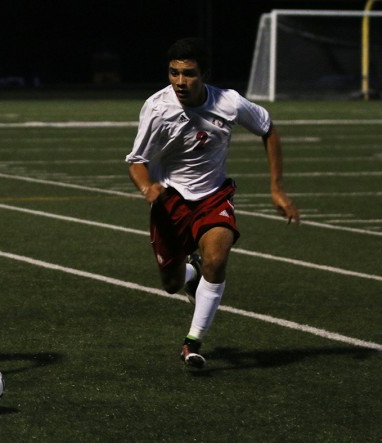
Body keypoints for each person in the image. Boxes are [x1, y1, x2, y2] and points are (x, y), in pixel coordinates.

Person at [125, 37, 300, 369]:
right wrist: (147, 187)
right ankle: (190, 274)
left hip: (213, 196)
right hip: (169, 201)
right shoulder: (157, 107)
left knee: (217, 260)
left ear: (204, 74)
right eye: (174, 73)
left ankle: (192, 342)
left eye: (188, 74)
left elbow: (268, 129)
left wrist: (276, 188)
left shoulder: (229, 102)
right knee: (171, 285)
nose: (180, 82)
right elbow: (136, 160)